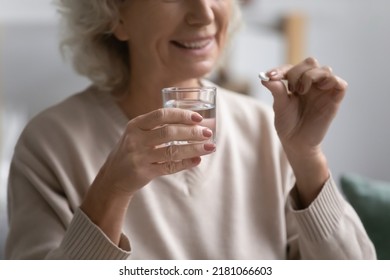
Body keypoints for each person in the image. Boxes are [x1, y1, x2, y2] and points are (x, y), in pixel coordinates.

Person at [5, 0, 376, 260]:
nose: (203, 14)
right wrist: (111, 191)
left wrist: (308, 157)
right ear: (116, 15)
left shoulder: (268, 128)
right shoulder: (50, 143)